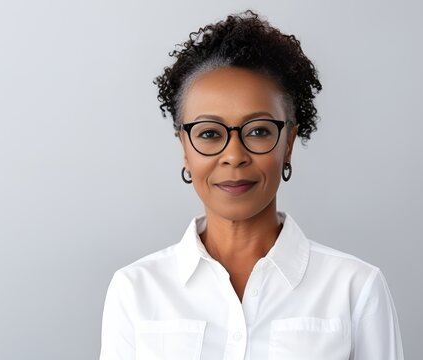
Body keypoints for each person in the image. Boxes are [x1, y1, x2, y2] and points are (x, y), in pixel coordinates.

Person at [99, 9, 404, 360]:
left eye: (258, 131)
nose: (234, 155)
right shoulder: (135, 290)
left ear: (288, 143)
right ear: (185, 148)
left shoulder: (355, 288)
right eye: (209, 134)